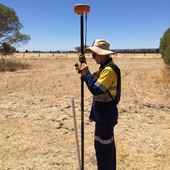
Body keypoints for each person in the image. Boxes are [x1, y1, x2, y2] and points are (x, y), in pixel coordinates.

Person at [79, 39, 120, 170]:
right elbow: (89, 77)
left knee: (104, 148)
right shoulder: (104, 68)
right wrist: (83, 67)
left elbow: (96, 89)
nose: (92, 56)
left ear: (101, 54)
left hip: (106, 114)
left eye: (94, 54)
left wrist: (86, 73)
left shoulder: (108, 70)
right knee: (102, 145)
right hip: (103, 114)